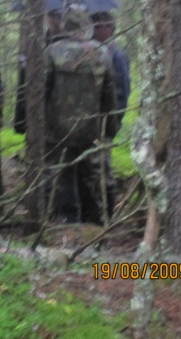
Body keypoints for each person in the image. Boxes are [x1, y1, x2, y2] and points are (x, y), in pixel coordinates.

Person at [44, 5, 119, 223]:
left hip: (57, 128)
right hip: (92, 128)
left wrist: (38, 126)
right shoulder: (102, 52)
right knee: (93, 175)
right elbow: (109, 94)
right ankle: (97, 221)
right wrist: (110, 128)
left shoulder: (51, 52)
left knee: (57, 175)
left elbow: (42, 91)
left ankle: (59, 220)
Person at [77, 11, 131, 223]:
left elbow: (122, 92)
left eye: (101, 27)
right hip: (87, 123)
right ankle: (90, 216)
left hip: (105, 123)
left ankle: (107, 216)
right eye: (94, 26)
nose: (97, 31)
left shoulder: (116, 55)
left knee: (103, 171)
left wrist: (113, 122)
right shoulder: (91, 52)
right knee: (87, 169)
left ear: (110, 29)